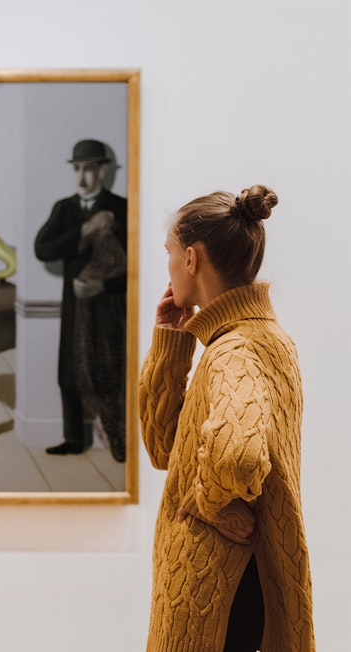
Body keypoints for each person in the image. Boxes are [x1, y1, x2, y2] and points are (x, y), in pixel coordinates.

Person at [139, 185, 313, 650]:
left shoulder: (235, 349)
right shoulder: (259, 338)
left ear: (192, 259)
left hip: (216, 590)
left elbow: (238, 457)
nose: (171, 265)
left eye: (171, 253)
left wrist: (209, 502)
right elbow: (165, 452)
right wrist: (170, 344)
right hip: (235, 582)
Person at [34, 139, 127, 457]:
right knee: (69, 372)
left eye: (89, 169)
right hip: (75, 305)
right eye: (77, 169)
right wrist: (84, 230)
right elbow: (42, 249)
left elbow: (139, 265)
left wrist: (104, 287)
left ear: (102, 171)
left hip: (112, 306)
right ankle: (74, 438)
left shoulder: (123, 207)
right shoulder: (65, 208)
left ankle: (120, 440)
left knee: (112, 371)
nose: (82, 178)